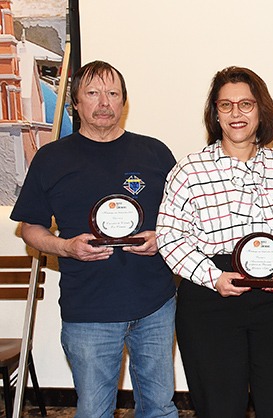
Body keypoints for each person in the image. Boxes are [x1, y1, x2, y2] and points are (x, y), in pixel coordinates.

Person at [10, 60, 178, 417]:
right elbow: (30, 229)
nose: (104, 102)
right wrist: (65, 247)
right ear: (76, 102)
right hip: (89, 310)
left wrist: (162, 238)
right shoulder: (51, 158)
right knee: (94, 411)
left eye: (113, 93)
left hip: (155, 305)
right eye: (93, 93)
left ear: (124, 102)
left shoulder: (156, 153)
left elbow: (184, 221)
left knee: (159, 408)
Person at [156, 66, 273, 417]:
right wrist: (213, 278)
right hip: (211, 299)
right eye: (226, 105)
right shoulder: (189, 170)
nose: (236, 114)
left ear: (261, 110)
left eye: (246, 104)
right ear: (215, 113)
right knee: (220, 405)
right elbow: (170, 237)